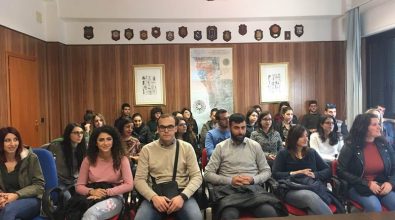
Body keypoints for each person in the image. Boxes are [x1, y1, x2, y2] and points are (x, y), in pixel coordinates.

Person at [204, 113, 285, 220]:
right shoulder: (220, 147)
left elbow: (266, 171)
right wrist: (230, 180)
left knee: (269, 213)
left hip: (253, 191)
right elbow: (208, 174)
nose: (240, 132)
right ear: (229, 127)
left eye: (243, 128)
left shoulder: (255, 146)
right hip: (229, 192)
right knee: (228, 216)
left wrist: (253, 179)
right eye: (236, 128)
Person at [134, 114, 203, 220]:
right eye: (162, 127)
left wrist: (182, 197)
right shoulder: (147, 150)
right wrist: (153, 198)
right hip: (155, 194)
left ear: (176, 128)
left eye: (170, 127)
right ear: (157, 129)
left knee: (196, 218)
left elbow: (197, 176)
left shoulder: (187, 148)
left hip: (181, 193)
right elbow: (139, 180)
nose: (166, 130)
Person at [337, 113, 395, 212]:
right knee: (374, 207)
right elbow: (341, 171)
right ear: (363, 128)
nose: (379, 127)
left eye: (379, 124)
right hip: (358, 186)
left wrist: (391, 183)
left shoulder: (384, 144)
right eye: (374, 125)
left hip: (381, 184)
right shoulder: (350, 146)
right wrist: (367, 183)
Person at [272, 125, 333, 215]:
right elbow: (275, 174)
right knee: (310, 197)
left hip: (311, 185)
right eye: (302, 136)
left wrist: (315, 175)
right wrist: (295, 173)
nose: (306, 139)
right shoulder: (283, 153)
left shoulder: (311, 152)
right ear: (294, 138)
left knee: (312, 211)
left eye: (307, 136)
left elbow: (327, 170)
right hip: (291, 189)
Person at [76, 125, 134, 219]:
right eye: (101, 140)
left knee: (91, 214)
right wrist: (92, 191)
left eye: (109, 139)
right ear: (96, 143)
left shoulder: (122, 159)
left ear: (114, 141)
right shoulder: (88, 160)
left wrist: (105, 193)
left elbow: (129, 184)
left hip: (114, 197)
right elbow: (79, 186)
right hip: (91, 196)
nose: (105, 143)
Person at [0, 127, 45, 219]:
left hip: (30, 199)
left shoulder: (31, 158)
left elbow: (39, 185)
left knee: (9, 210)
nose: (12, 144)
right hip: (5, 199)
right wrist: (2, 196)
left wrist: (16, 195)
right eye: (7, 140)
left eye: (15, 140)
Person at [46, 123, 87, 198]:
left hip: (75, 181)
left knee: (83, 196)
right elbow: (46, 161)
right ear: (68, 134)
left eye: (81, 133)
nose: (79, 135)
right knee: (67, 197)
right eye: (76, 133)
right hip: (59, 180)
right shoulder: (57, 147)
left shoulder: (83, 148)